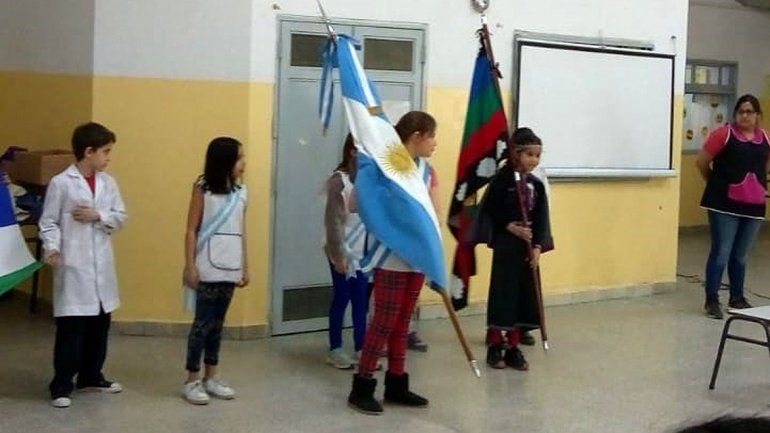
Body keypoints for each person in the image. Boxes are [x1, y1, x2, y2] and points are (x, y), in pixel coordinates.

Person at [347, 111, 440, 415]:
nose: (435, 143)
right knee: (384, 321)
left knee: (403, 323)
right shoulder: (383, 166)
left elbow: (433, 216)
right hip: (390, 256)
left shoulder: (427, 171)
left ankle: (397, 383)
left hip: (417, 258)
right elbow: (355, 204)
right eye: (432, 136)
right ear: (416, 136)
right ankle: (362, 384)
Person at [39, 122, 127, 408]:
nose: (109, 157)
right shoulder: (61, 183)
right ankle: (62, 384)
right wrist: (52, 247)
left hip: (101, 266)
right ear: (89, 152)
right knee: (72, 330)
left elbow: (120, 216)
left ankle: (91, 376)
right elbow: (48, 221)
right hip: (74, 265)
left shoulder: (108, 183)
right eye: (106, 151)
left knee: (99, 326)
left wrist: (98, 215)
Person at [181, 137, 248, 405]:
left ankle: (212, 376)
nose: (244, 164)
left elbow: (242, 232)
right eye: (239, 158)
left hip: (231, 266)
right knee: (202, 325)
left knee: (218, 325)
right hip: (206, 266)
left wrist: (245, 265)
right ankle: (192, 379)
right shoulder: (202, 189)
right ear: (225, 161)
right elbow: (191, 230)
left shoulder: (242, 192)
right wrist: (190, 265)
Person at [481, 127, 551, 371]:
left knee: (523, 296)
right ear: (516, 154)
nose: (534, 160)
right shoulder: (503, 180)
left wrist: (537, 247)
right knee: (504, 294)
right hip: (507, 246)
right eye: (529, 155)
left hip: (527, 248)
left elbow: (541, 218)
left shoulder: (536, 185)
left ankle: (513, 346)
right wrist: (510, 227)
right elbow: (491, 208)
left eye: (537, 156)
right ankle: (495, 344)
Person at [696, 94, 769, 319]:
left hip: (753, 206)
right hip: (723, 205)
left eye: (749, 112)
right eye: (741, 111)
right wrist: (715, 183)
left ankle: (737, 298)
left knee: (740, 255)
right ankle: (711, 300)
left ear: (758, 115)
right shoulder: (724, 134)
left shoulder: (765, 139)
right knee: (721, 252)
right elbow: (701, 161)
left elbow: (764, 167)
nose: (744, 116)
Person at [324, 134, 370, 369]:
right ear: (353, 151)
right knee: (342, 296)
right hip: (341, 248)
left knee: (361, 299)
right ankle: (335, 348)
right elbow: (332, 222)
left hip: (362, 249)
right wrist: (338, 255)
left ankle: (362, 347)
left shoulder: (367, 179)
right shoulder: (338, 180)